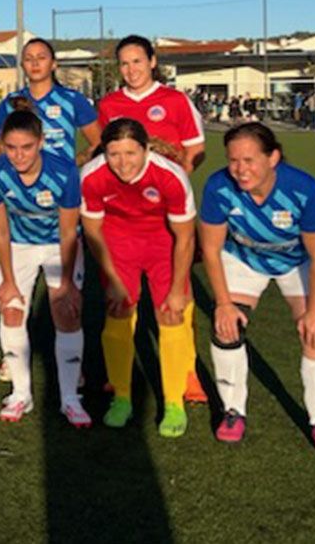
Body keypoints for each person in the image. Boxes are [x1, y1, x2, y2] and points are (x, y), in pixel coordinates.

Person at [199, 123, 315, 454]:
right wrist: (222, 304)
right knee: (226, 329)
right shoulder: (219, 186)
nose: (240, 169)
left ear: (273, 157)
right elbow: (210, 250)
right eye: (233, 160)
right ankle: (233, 410)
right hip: (244, 259)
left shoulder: (303, 188)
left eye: (249, 160)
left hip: (298, 263)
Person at [97, 34, 207, 404]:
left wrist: (176, 179)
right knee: (121, 300)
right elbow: (102, 152)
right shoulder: (110, 104)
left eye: (137, 62)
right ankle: (118, 374)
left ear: (153, 61)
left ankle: (188, 373)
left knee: (176, 297)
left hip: (166, 214)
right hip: (122, 217)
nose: (131, 70)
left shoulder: (175, 101)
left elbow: (196, 149)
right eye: (124, 64)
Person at [80, 119, 197, 437]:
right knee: (119, 311)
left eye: (131, 153)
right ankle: (122, 397)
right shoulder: (92, 175)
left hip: (163, 244)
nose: (122, 163)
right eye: (114, 154)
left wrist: (176, 289)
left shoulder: (171, 176)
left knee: (171, 314)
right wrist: (113, 280)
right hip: (119, 244)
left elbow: (185, 238)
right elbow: (92, 230)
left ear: (145, 149)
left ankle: (174, 402)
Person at [0, 102, 89, 427]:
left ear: (41, 142)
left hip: (59, 246)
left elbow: (69, 230)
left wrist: (68, 282)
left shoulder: (65, 172)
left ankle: (70, 398)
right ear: (2, 145)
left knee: (66, 312)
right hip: (18, 245)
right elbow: (0, 230)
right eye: (11, 148)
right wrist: (8, 280)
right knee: (12, 309)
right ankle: (21, 393)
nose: (19, 156)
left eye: (27, 147)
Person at [0, 37, 100, 165]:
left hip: (61, 183)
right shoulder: (10, 103)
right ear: (22, 65)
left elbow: (98, 143)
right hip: (21, 183)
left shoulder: (73, 99)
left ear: (53, 64)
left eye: (41, 58)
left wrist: (73, 164)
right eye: (28, 59)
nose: (35, 64)